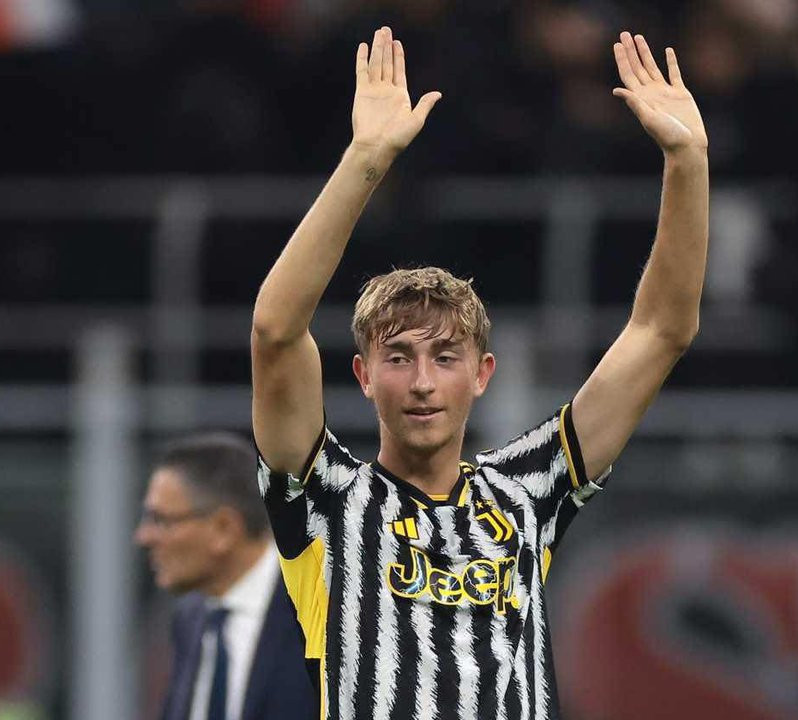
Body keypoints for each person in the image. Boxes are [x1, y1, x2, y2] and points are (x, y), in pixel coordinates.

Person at [250, 25, 707, 720]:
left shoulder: (527, 491)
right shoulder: (328, 501)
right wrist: (366, 159)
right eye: (398, 358)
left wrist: (688, 161)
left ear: (482, 373)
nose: (423, 382)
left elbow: (662, 331)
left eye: (445, 357)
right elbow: (275, 331)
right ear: (363, 376)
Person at [135, 433, 317, 720]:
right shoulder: (190, 619)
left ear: (224, 528)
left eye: (161, 520)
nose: (144, 537)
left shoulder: (318, 612)